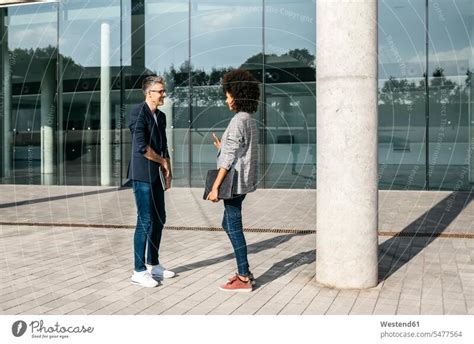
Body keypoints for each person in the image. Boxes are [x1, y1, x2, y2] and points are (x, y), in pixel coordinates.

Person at [207, 69, 259, 292]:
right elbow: (239, 150)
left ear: (237, 94)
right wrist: (222, 147)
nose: (226, 98)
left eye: (228, 94)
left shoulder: (238, 120)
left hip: (234, 182)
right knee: (227, 224)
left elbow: (229, 159)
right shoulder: (249, 119)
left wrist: (215, 187)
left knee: (234, 226)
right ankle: (244, 270)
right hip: (243, 181)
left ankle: (244, 277)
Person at [127, 75, 175, 288]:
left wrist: (168, 169)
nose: (163, 94)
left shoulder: (161, 116)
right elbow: (142, 147)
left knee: (160, 218)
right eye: (160, 91)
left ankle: (153, 264)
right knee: (145, 220)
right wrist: (162, 161)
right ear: (149, 93)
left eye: (163, 91)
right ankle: (138, 271)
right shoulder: (138, 112)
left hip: (156, 174)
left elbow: (163, 144)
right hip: (141, 174)